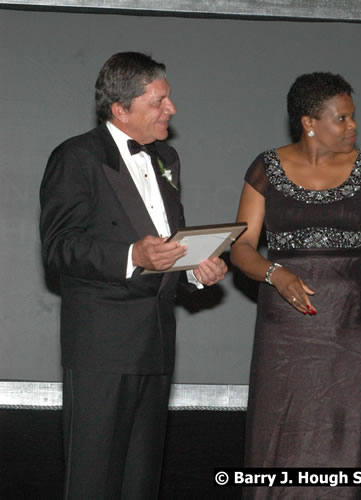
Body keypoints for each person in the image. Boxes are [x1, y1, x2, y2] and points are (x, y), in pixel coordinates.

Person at [39, 52, 227, 499]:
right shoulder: (76, 157)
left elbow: (168, 242)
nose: (172, 108)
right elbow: (59, 248)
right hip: (101, 347)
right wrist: (131, 255)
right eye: (159, 100)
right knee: (93, 480)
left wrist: (195, 269)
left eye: (169, 98)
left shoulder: (167, 158)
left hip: (157, 344)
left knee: (140, 482)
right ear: (120, 109)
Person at [231, 72, 361, 498]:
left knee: (352, 439)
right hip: (286, 332)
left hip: (354, 327)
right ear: (309, 122)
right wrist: (275, 272)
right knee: (285, 438)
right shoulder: (265, 167)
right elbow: (241, 248)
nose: (353, 127)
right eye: (341, 119)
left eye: (353, 117)